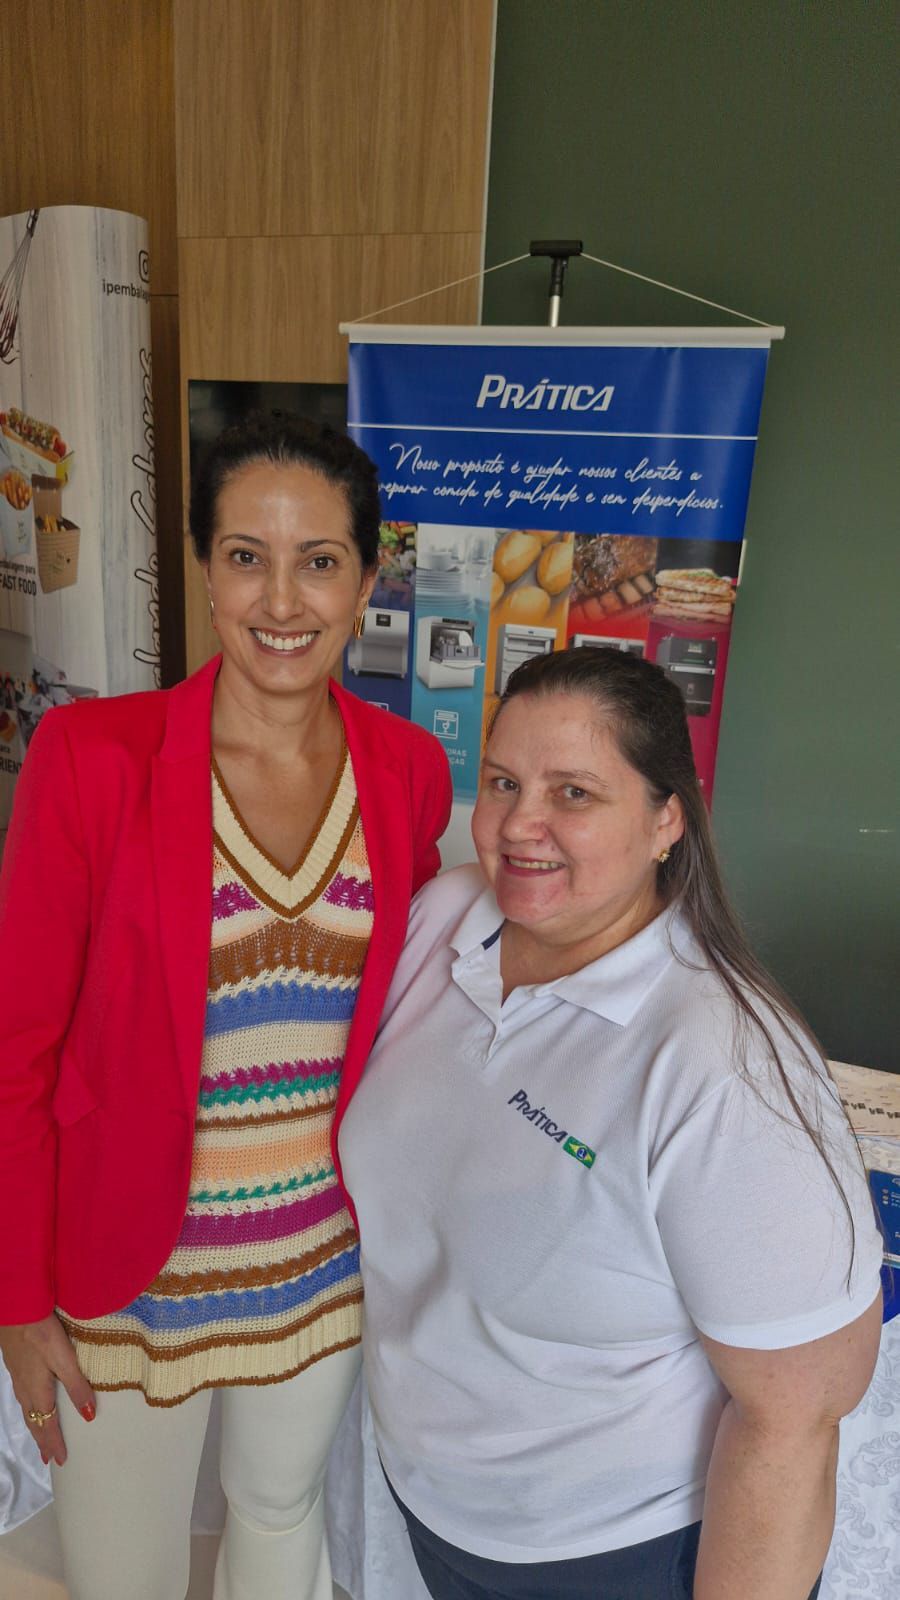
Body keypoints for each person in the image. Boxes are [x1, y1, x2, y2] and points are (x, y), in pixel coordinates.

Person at [0, 410, 451, 1600]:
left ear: (366, 578)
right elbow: (16, 1047)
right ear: (204, 567)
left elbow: (407, 1012)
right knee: (123, 1575)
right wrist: (14, 1291)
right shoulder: (92, 757)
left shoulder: (405, 772)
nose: (282, 599)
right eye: (247, 554)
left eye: (320, 559)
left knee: (278, 1518)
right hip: (122, 1272)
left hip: (316, 1260)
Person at [339, 645, 883, 1600]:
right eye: (503, 782)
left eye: (575, 794)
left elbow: (796, 1415)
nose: (520, 825)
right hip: (432, 1506)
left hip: (607, 1554)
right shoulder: (448, 918)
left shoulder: (723, 1069)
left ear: (667, 818)